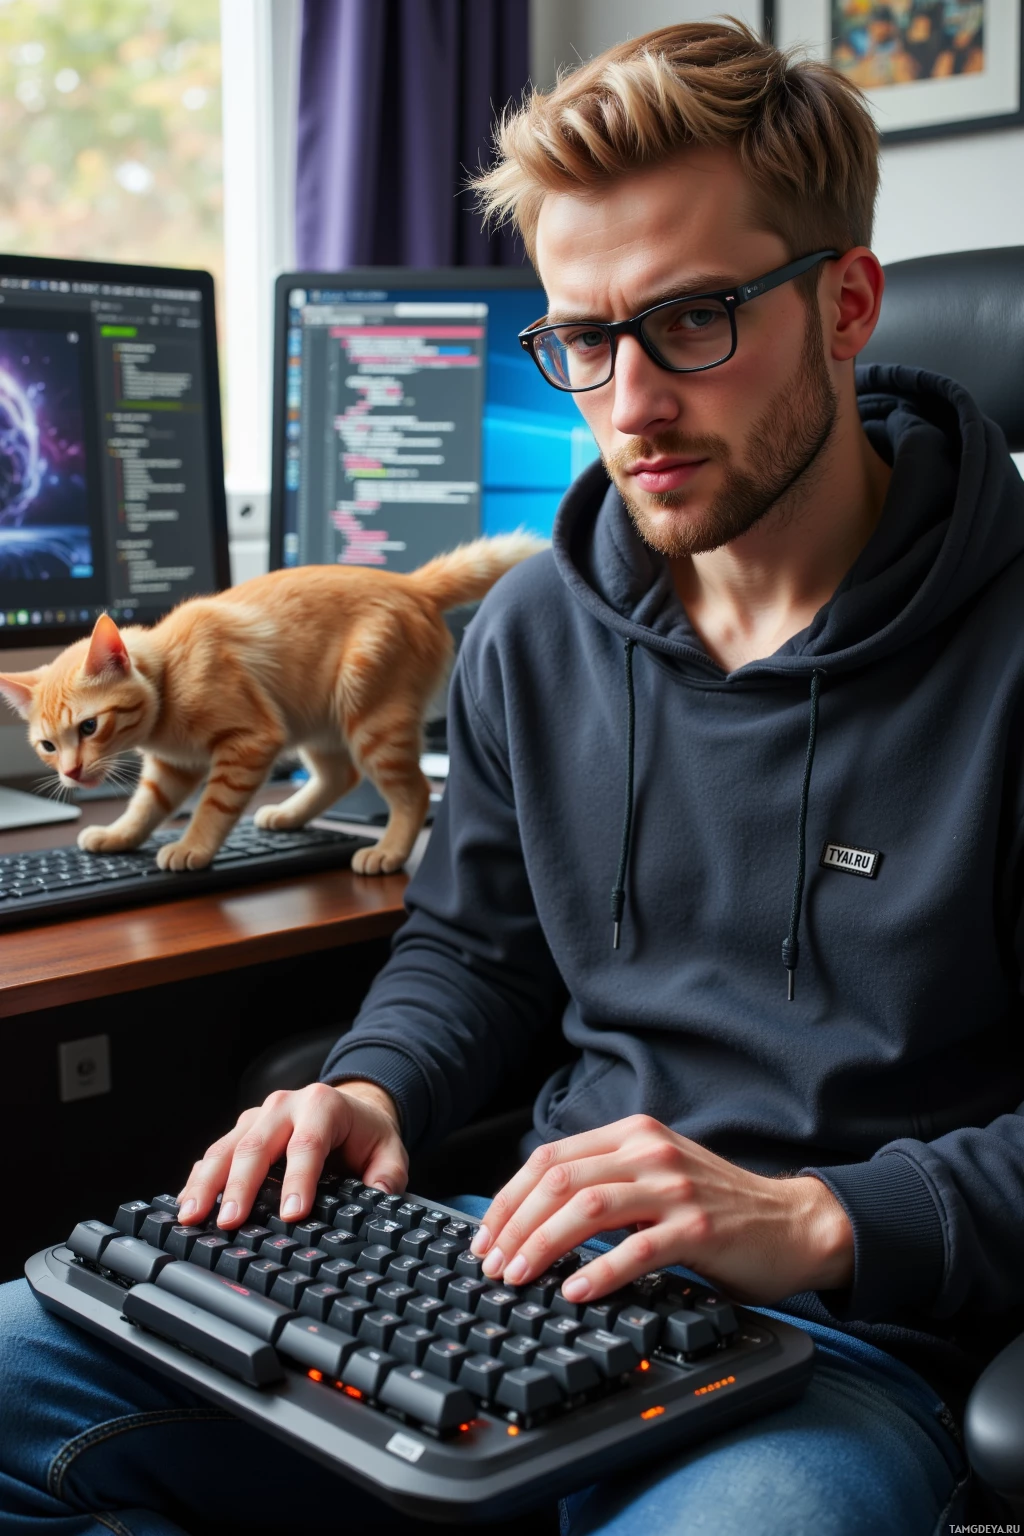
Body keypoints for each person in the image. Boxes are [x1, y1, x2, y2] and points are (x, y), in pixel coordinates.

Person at [3, 17, 1022, 1534]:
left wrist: (818, 1217)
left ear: (848, 304)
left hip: (829, 1348)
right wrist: (370, 1084)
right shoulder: (540, 625)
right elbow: (473, 949)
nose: (628, 404)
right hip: (499, 1279)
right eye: (584, 339)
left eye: (693, 322)